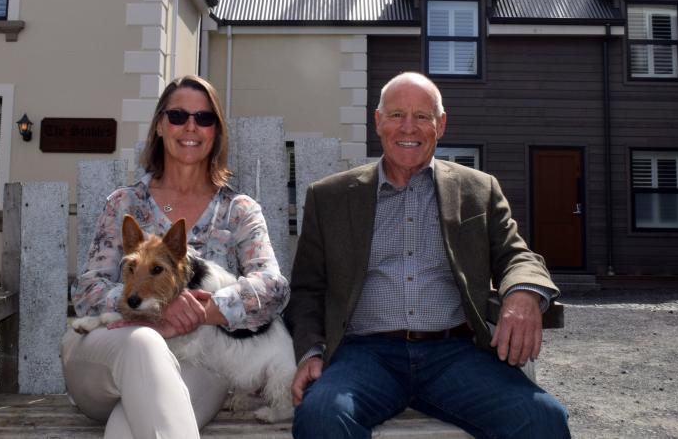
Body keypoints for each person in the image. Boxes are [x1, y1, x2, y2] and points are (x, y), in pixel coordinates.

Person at [285, 72, 570, 439]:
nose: (408, 127)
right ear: (378, 122)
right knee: (321, 417)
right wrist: (310, 352)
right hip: (365, 355)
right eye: (396, 115)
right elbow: (307, 289)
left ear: (441, 124)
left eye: (422, 116)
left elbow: (518, 256)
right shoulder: (331, 197)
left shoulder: (477, 190)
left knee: (544, 420)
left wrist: (524, 293)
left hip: (454, 354)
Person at [62, 74, 290, 439]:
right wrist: (157, 308)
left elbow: (272, 289)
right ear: (159, 125)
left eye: (204, 118)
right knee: (144, 341)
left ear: (216, 131)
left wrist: (206, 310)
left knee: (125, 430)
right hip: (109, 354)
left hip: (196, 363)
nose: (190, 126)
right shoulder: (125, 204)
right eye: (178, 115)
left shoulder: (238, 210)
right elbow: (87, 292)